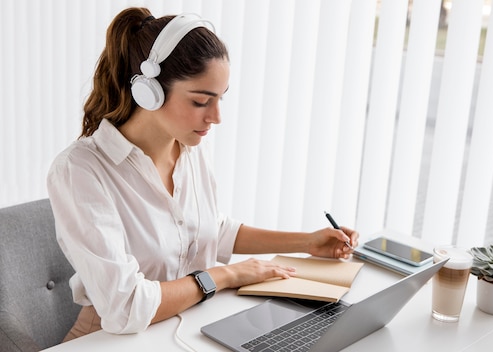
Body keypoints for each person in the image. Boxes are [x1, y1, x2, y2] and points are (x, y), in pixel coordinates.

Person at [47, 7, 359, 341]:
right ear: (148, 92)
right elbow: (127, 308)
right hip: (111, 340)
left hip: (192, 327)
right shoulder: (80, 171)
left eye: (220, 98)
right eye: (200, 101)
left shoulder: (190, 148)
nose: (216, 117)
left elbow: (212, 230)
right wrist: (224, 276)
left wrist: (306, 242)